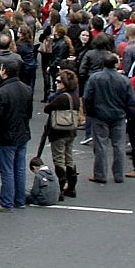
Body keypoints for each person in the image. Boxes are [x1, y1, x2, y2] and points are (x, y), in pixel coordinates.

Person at [81, 49, 134, 185]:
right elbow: (131, 100)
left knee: (100, 145)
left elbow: (87, 97)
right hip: (118, 116)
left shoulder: (95, 78)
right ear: (116, 64)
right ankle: (119, 175)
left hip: (100, 115)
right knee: (119, 146)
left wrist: (90, 112)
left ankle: (100, 174)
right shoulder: (124, 80)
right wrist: (127, 112)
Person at [0, 58, 32, 210]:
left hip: (6, 135)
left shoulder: (1, 92)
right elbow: (29, 112)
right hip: (23, 132)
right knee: (19, 167)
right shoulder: (26, 88)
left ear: (4, 71)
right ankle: (19, 200)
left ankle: (6, 201)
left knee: (6, 168)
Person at [42, 71, 80, 199]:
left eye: (59, 82)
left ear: (64, 84)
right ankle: (71, 187)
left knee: (58, 159)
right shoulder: (75, 96)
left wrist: (54, 95)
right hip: (71, 131)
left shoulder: (61, 97)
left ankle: (61, 187)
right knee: (69, 158)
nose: (56, 83)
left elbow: (47, 108)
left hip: (59, 131)